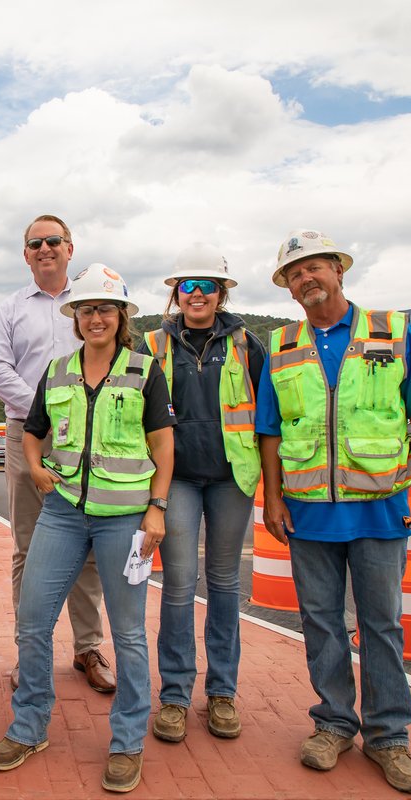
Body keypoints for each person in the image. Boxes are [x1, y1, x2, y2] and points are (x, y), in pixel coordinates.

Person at [258, 229, 411, 795]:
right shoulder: (282, 345)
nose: (306, 278)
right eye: (295, 273)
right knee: (320, 625)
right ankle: (334, 724)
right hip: (309, 514)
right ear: (289, 289)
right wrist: (271, 497)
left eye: (315, 267)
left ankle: (390, 737)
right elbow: (269, 429)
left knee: (381, 626)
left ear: (340, 271)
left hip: (381, 511)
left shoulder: (392, 333)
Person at [0, 265, 175, 794]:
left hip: (124, 519)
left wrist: (156, 508)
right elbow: (35, 431)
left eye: (105, 310)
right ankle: (29, 727)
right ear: (75, 318)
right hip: (64, 513)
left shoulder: (144, 371)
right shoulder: (59, 370)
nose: (96, 318)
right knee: (32, 619)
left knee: (130, 634)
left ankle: (127, 741)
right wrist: (38, 468)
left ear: (121, 317)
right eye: (87, 309)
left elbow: (163, 444)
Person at [139, 243, 264, 742]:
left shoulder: (247, 345)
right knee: (180, 582)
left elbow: (266, 419)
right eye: (186, 286)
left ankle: (222, 693)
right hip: (178, 479)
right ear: (175, 293)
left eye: (206, 286)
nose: (196, 294)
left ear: (221, 292)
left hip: (232, 476)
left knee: (225, 583)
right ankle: (173, 694)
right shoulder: (152, 345)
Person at [0, 214, 115, 693]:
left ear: (70, 247)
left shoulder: (91, 304)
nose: (45, 249)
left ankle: (88, 648)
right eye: (35, 243)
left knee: (90, 547)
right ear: (26, 254)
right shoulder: (10, 310)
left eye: (53, 241)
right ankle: (30, 651)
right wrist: (45, 413)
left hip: (91, 437)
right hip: (28, 437)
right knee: (27, 546)